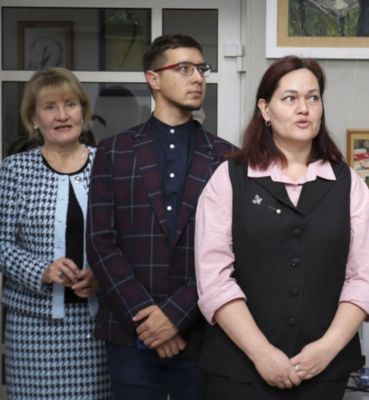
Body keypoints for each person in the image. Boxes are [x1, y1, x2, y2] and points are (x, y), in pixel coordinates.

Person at [194, 55, 369, 399]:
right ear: (265, 109)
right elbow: (214, 278)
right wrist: (261, 353)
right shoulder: (230, 178)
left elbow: (363, 279)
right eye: (290, 98)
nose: (304, 109)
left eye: (313, 98)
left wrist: (326, 348)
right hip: (238, 372)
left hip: (323, 372)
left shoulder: (349, 184)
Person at [86, 34, 235, 399]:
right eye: (183, 68)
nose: (197, 77)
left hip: (202, 330)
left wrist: (175, 316)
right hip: (130, 331)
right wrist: (146, 316)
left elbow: (234, 249)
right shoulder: (113, 152)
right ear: (152, 78)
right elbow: (100, 243)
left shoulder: (228, 158)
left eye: (201, 69)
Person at [0, 67, 111, 399]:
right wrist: (42, 270)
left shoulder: (108, 165)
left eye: (70, 104)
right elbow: (1, 243)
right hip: (33, 329)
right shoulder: (15, 170)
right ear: (34, 119)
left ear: (83, 112)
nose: (62, 115)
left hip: (97, 328)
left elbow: (124, 237)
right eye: (50, 107)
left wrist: (102, 274)